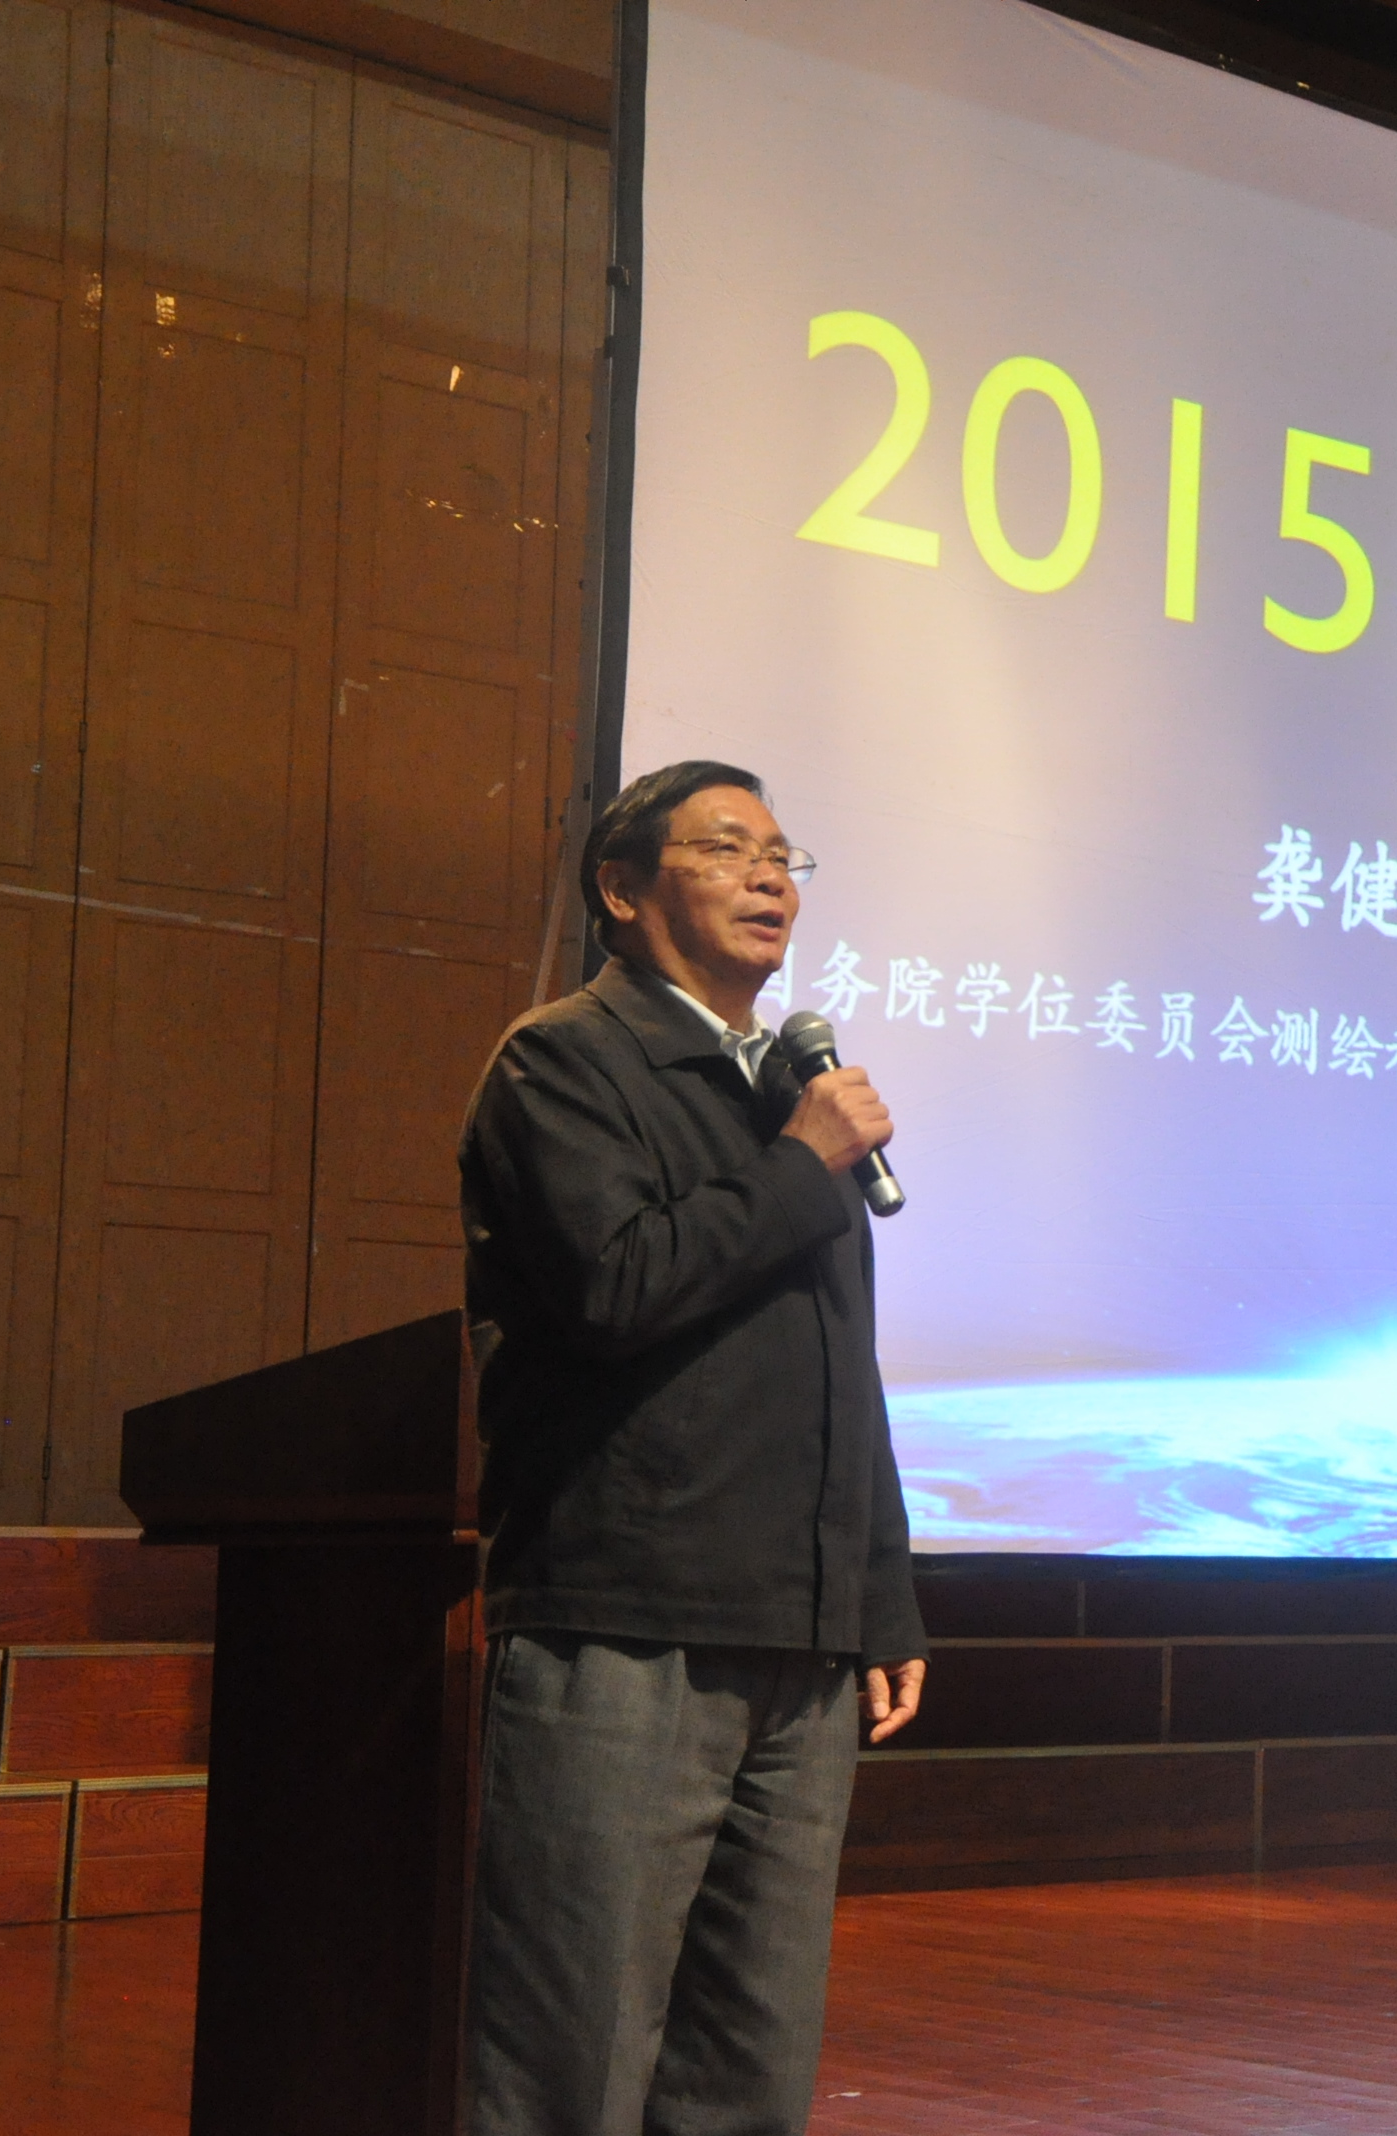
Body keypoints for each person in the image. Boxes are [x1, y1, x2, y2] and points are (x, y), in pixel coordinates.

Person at [456, 758, 927, 2134]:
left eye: (784, 855)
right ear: (622, 889)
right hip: (626, 1621)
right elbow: (618, 1285)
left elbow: (840, 1370)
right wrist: (798, 1163)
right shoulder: (565, 1060)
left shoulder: (788, 1094)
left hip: (800, 1636)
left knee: (751, 2063)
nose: (770, 876)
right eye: (727, 848)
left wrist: (880, 1593)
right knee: (574, 2050)